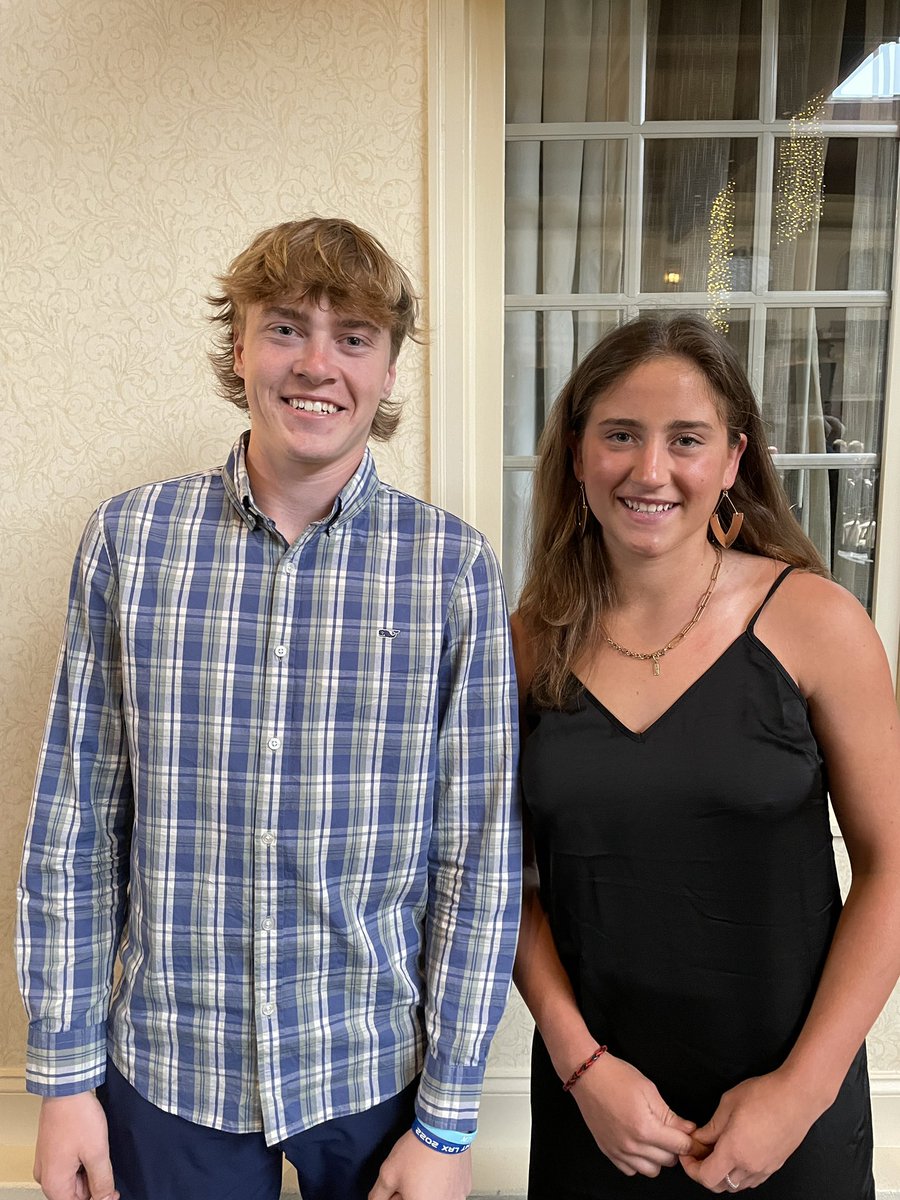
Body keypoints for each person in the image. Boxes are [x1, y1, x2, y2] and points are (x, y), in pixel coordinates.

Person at [16, 217, 521, 1200]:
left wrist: (450, 1122)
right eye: (286, 327)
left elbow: (478, 860)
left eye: (355, 337)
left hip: (372, 1073)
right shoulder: (131, 543)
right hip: (170, 1067)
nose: (317, 363)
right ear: (239, 346)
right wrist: (66, 1077)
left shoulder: (449, 569)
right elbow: (75, 827)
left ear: (386, 369)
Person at [511, 313, 900, 1198]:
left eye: (686, 439)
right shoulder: (530, 646)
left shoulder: (818, 624)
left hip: (787, 1109)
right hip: (598, 1115)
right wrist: (583, 1070)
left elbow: (893, 866)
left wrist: (800, 1095)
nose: (651, 470)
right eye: (620, 435)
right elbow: (506, 881)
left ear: (732, 461)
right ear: (577, 455)